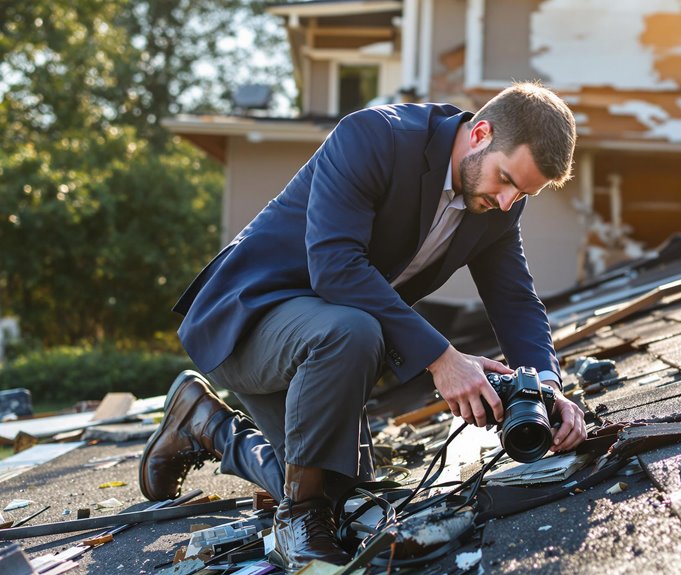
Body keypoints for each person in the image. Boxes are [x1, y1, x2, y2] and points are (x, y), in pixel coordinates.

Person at [138, 82, 586, 571]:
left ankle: (206, 425)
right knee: (352, 334)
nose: (507, 201)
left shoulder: (498, 203)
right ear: (480, 133)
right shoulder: (374, 136)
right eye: (506, 180)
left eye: (523, 193)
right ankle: (297, 520)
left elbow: (515, 300)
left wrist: (545, 388)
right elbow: (334, 266)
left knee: (346, 494)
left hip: (331, 343)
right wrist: (442, 360)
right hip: (249, 319)